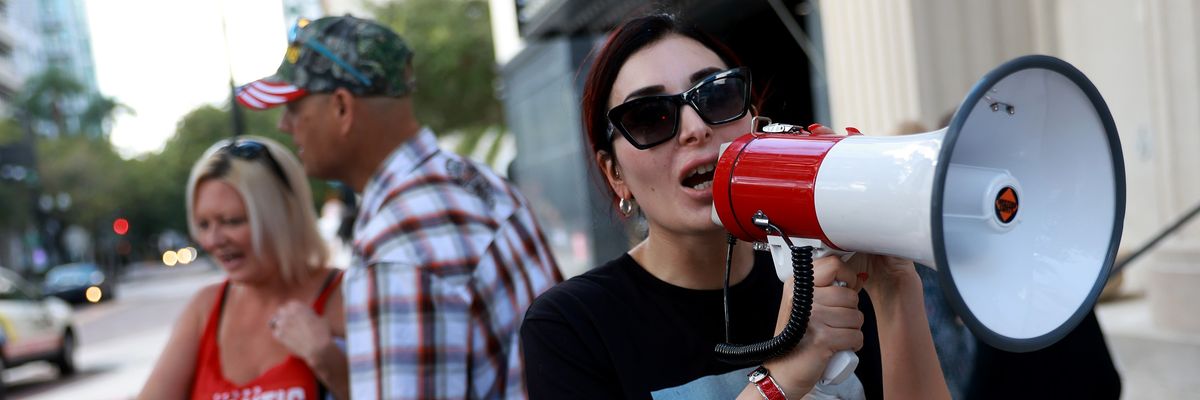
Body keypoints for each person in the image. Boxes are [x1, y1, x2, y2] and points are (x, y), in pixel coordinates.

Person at [519, 14, 950, 399]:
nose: (695, 128)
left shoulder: (832, 273)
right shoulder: (572, 327)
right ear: (615, 174)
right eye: (649, 116)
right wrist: (781, 377)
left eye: (717, 95)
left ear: (755, 123)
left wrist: (895, 291)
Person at [235, 15, 563, 399]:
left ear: (341, 107)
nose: (284, 125)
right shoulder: (473, 181)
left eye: (293, 106)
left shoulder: (399, 246)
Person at [140, 137, 348, 400]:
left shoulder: (343, 296)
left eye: (231, 221)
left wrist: (326, 359)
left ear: (283, 215)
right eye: (203, 225)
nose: (213, 240)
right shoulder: (205, 309)